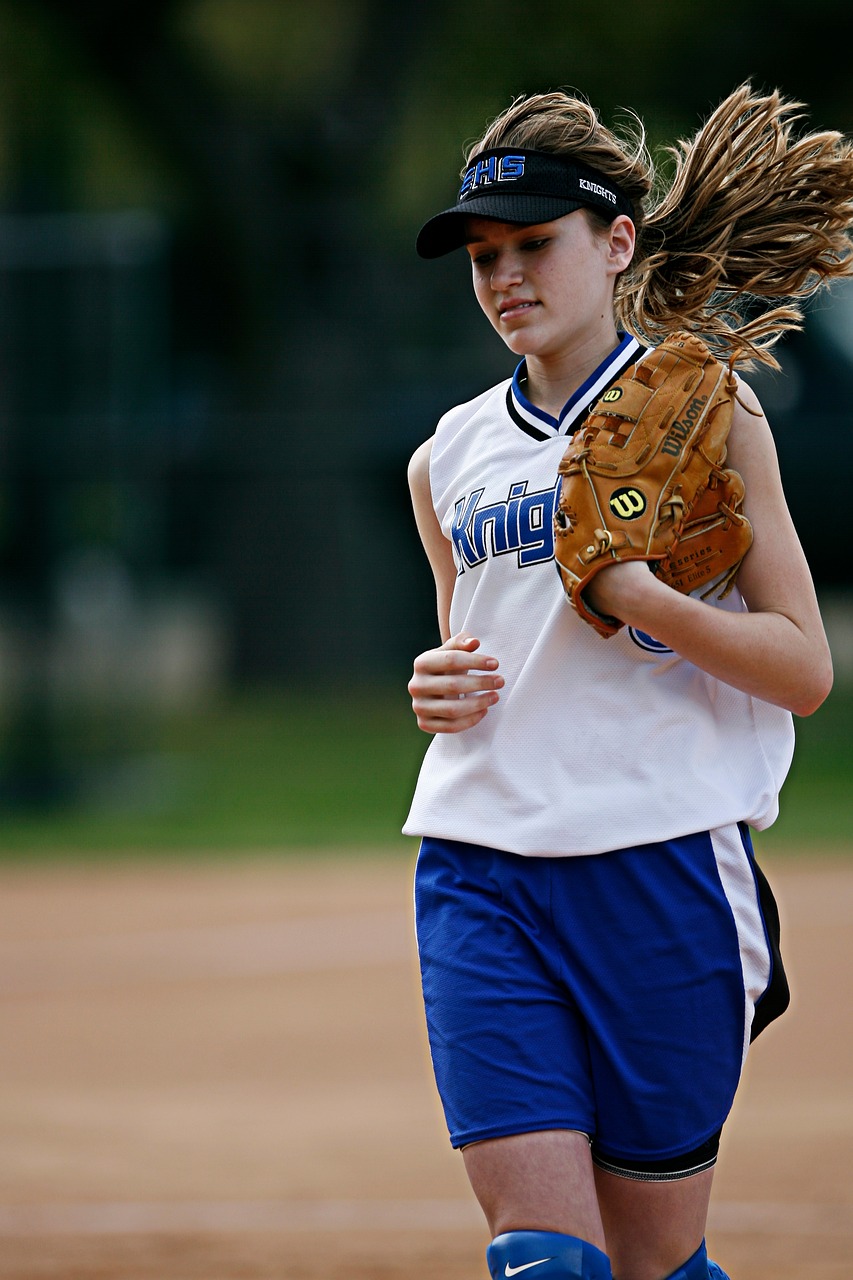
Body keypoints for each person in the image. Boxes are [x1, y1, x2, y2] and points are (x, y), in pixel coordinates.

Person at [402, 83, 853, 1280]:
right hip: (480, 864)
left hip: (659, 867)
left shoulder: (711, 416)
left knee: (654, 1260)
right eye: (484, 255)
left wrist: (639, 593)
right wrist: (437, 684)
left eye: (534, 244)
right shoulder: (444, 456)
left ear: (615, 244)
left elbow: (805, 667)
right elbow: (472, 647)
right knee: (546, 1258)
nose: (506, 275)